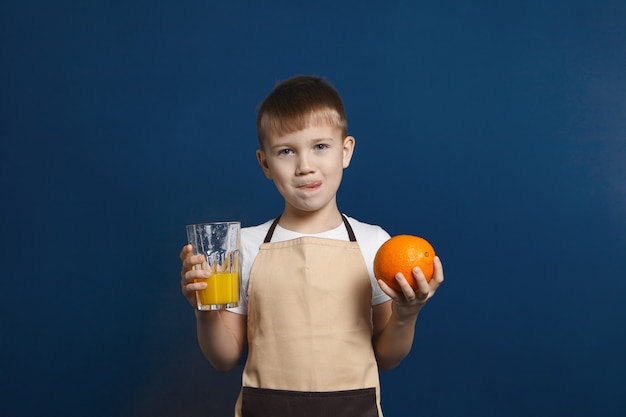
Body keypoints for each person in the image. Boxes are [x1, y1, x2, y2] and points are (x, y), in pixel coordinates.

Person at [180, 75, 444, 417]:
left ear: (345, 151)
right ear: (265, 164)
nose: (305, 166)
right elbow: (224, 358)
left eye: (320, 146)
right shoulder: (244, 246)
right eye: (287, 151)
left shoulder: (375, 244)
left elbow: (387, 357)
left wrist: (407, 314)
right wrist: (204, 309)